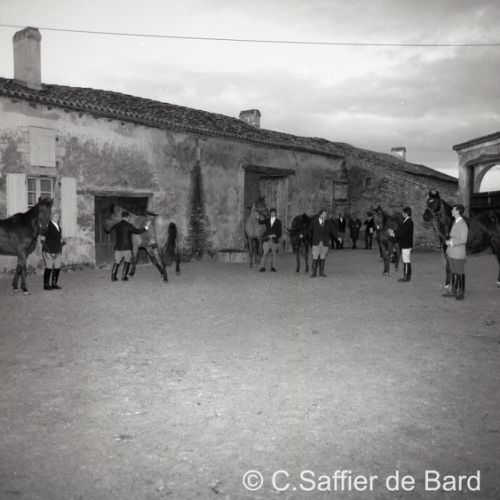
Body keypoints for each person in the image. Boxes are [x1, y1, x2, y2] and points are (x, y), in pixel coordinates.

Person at [110, 211, 149, 282]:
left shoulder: (117, 225)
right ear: (128, 217)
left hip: (118, 247)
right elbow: (137, 231)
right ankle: (124, 276)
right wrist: (146, 227)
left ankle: (113, 276)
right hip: (127, 247)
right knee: (127, 261)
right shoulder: (129, 225)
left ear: (122, 217)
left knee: (116, 262)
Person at [303, 209, 339, 278]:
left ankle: (321, 272)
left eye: (326, 214)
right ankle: (314, 273)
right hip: (316, 242)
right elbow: (308, 230)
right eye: (324, 214)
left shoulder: (328, 222)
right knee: (315, 257)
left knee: (323, 257)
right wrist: (303, 234)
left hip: (325, 243)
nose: (326, 215)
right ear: (320, 215)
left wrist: (338, 237)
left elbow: (333, 230)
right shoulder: (314, 222)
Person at [442, 204, 468, 300]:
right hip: (452, 252)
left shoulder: (463, 224)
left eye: (453, 210)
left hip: (458, 253)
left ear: (457, 211)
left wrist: (450, 243)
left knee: (460, 273)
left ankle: (461, 292)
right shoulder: (455, 222)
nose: (451, 211)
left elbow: (463, 240)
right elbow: (454, 236)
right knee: (453, 272)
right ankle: (453, 290)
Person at [41, 211, 65, 290]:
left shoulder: (59, 228)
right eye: (55, 217)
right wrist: (43, 237)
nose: (57, 218)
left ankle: (54, 284)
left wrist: (61, 240)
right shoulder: (48, 226)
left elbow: (58, 237)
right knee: (49, 267)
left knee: (57, 267)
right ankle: (46, 285)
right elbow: (43, 233)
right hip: (49, 250)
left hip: (57, 250)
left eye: (58, 217)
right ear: (51, 218)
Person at [259, 208, 282, 272]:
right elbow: (260, 222)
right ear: (270, 213)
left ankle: (273, 267)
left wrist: (274, 235)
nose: (272, 214)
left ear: (275, 213)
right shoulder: (267, 220)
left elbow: (280, 232)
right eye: (271, 212)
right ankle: (262, 267)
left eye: (273, 212)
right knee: (265, 253)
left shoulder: (278, 221)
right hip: (267, 240)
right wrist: (258, 217)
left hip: (274, 241)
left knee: (274, 254)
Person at [394, 206, 414, 282]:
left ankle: (406, 277)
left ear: (406, 213)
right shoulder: (407, 221)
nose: (402, 214)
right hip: (406, 243)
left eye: (403, 213)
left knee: (406, 260)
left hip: (406, 244)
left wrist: (394, 233)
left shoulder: (408, 222)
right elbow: (401, 230)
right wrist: (394, 232)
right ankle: (407, 275)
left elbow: (402, 233)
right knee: (406, 260)